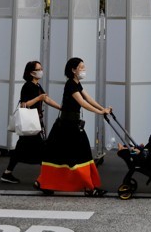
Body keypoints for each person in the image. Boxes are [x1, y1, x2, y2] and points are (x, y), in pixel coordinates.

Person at [35, 57, 111, 196]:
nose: (84, 69)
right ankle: (89, 188)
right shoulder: (70, 85)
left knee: (59, 155)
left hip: (70, 126)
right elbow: (82, 103)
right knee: (80, 155)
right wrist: (100, 112)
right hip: (66, 127)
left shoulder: (76, 84)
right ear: (73, 70)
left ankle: (45, 183)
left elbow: (88, 98)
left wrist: (103, 108)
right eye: (81, 67)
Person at [1, 60, 59, 184]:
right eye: (39, 69)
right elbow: (24, 104)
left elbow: (46, 99)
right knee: (44, 150)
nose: (41, 71)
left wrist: (60, 107)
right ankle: (46, 178)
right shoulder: (28, 86)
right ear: (32, 73)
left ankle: (7, 173)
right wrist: (39, 98)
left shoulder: (37, 85)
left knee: (21, 150)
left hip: (34, 123)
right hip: (30, 123)